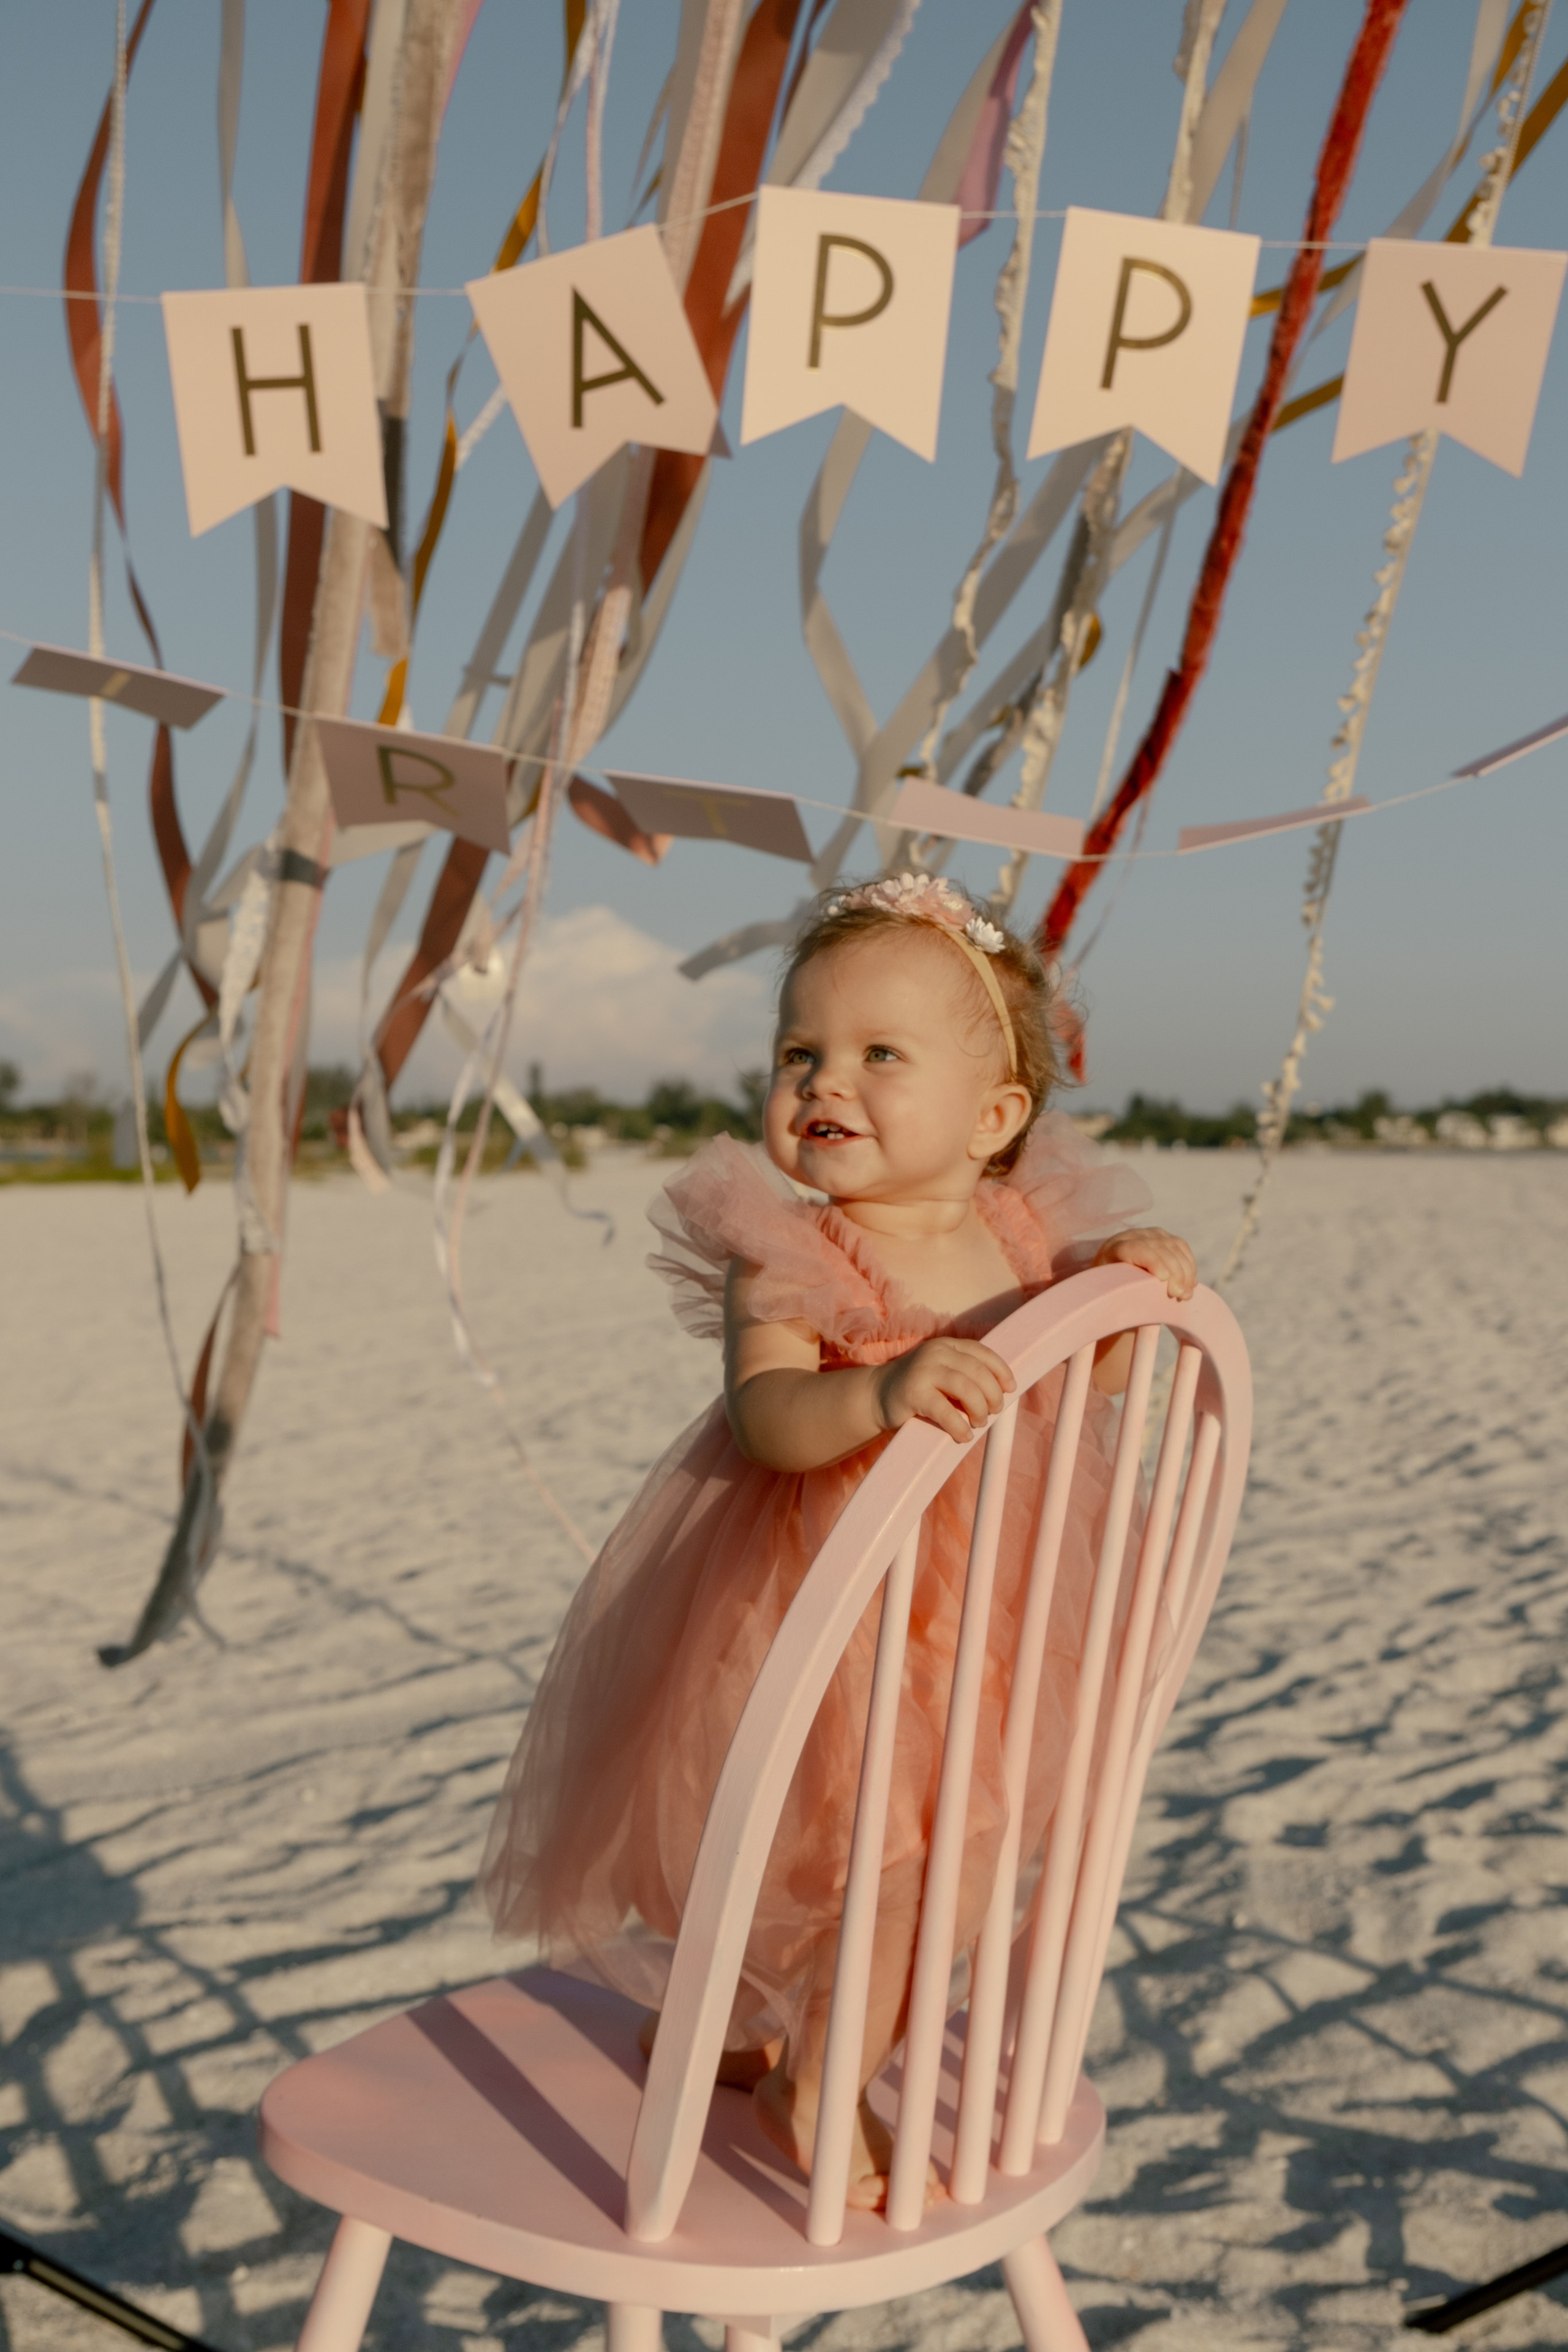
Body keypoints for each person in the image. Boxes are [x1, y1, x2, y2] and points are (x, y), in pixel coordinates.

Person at [480, 872, 1196, 2207]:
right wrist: (873, 1392)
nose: (827, 1081)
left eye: (879, 1055)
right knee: (811, 1834)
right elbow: (763, 1418)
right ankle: (775, 2050)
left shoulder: (1022, 1230)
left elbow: (1083, 1377)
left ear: (993, 1119)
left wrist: (1118, 1286)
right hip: (822, 1603)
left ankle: (779, 2044)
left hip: (995, 1612)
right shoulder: (791, 1253)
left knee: (948, 1848)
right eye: (799, 1053)